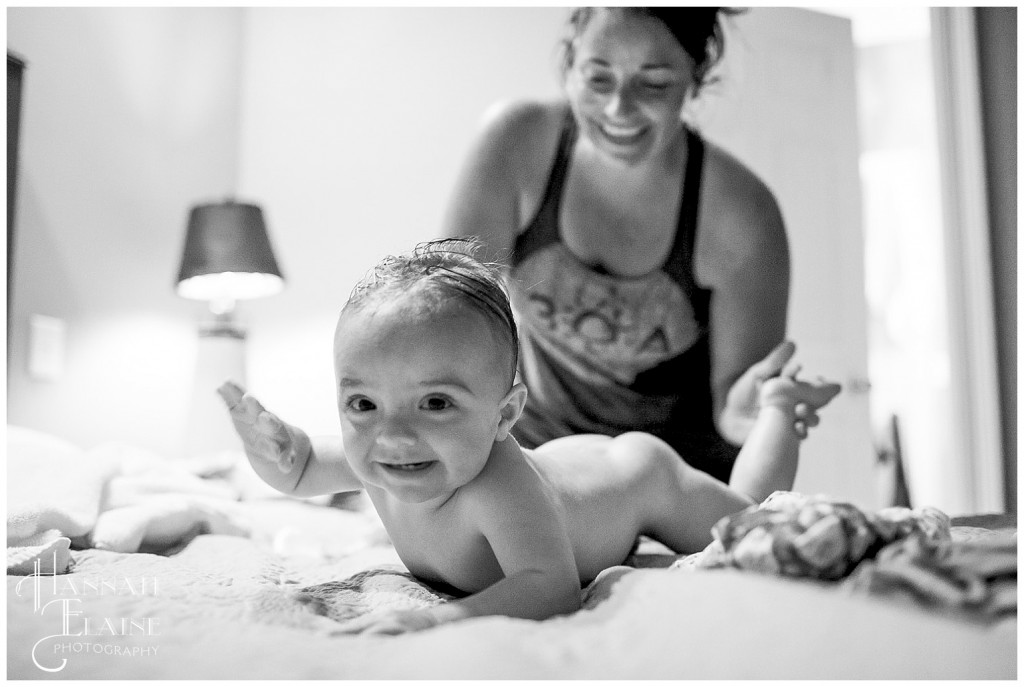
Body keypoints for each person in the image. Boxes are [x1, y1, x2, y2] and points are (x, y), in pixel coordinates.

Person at [218, 239, 841, 635]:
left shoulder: (495, 486)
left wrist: (442, 619)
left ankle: (778, 407)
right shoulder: (383, 457)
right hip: (565, 466)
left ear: (505, 416)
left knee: (754, 519)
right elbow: (297, 472)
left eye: (436, 402)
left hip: (632, 476)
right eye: (362, 403)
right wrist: (272, 446)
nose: (393, 434)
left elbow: (550, 586)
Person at [438, 7, 795, 481]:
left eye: (654, 84)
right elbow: (451, 322)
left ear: (697, 75)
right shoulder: (516, 144)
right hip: (541, 460)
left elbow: (733, 410)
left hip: (676, 482)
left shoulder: (742, 215)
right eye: (598, 79)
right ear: (570, 62)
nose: (618, 109)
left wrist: (756, 410)